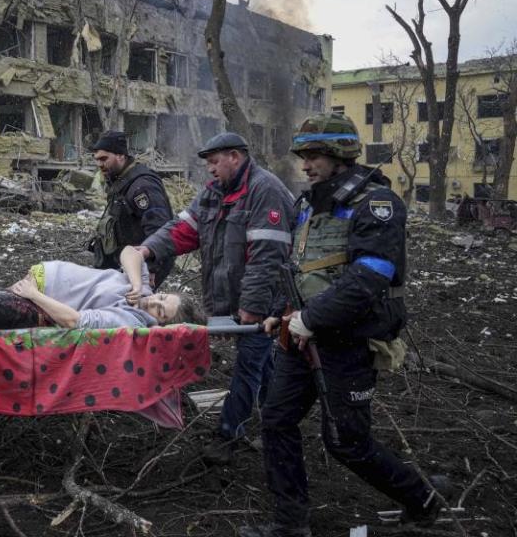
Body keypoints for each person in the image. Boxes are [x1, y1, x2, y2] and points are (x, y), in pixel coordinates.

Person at [240, 113, 452, 537]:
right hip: (300, 340)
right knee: (276, 421)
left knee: (346, 442)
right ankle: (289, 523)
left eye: (314, 155)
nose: (306, 165)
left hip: (347, 343)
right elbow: (300, 270)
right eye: (303, 156)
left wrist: (310, 319)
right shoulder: (309, 205)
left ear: (340, 155)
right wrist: (280, 313)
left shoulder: (376, 204)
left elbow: (369, 277)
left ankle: (422, 499)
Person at [137, 132, 294, 464]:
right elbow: (182, 230)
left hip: (264, 301)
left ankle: (228, 433)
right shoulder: (213, 193)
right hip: (234, 299)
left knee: (249, 365)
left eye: (214, 162)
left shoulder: (266, 192)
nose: (209, 169)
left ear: (235, 157)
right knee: (263, 362)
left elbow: (267, 258)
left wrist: (251, 308)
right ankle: (277, 421)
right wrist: (147, 249)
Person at [0, 247, 202, 330]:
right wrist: (134, 282)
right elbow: (131, 251)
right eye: (161, 297)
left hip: (38, 307)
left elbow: (74, 321)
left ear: (160, 325)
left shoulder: (130, 322)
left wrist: (33, 294)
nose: (152, 302)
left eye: (160, 310)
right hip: (34, 288)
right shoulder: (139, 291)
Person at [89, 130, 175, 288]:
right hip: (126, 261)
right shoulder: (120, 180)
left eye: (104, 159)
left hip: (142, 263)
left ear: (121, 155)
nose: (99, 164)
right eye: (97, 160)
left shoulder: (141, 186)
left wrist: (151, 267)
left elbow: (159, 228)